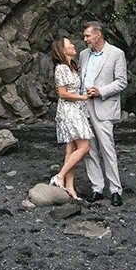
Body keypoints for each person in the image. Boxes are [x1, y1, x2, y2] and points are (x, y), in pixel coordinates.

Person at [79, 20, 128, 206]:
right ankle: (97, 188)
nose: (85, 39)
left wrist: (101, 91)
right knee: (88, 150)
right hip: (84, 106)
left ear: (98, 35)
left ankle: (115, 190)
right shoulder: (83, 55)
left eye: (87, 36)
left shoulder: (116, 54)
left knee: (108, 149)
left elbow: (122, 82)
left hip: (104, 105)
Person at [50, 37, 92, 198]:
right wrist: (84, 98)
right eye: (69, 44)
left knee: (72, 149)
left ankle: (69, 187)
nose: (73, 45)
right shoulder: (61, 68)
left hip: (77, 110)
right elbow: (62, 93)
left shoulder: (72, 67)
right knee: (84, 147)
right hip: (69, 111)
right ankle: (59, 176)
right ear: (62, 50)